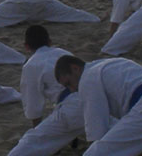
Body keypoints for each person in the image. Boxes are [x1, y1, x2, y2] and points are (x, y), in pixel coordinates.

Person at [8, 26, 85, 156]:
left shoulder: (31, 65)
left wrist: (45, 139)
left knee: (28, 144)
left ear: (26, 46)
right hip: (93, 97)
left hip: (71, 109)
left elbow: (33, 105)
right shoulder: (64, 53)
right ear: (50, 42)